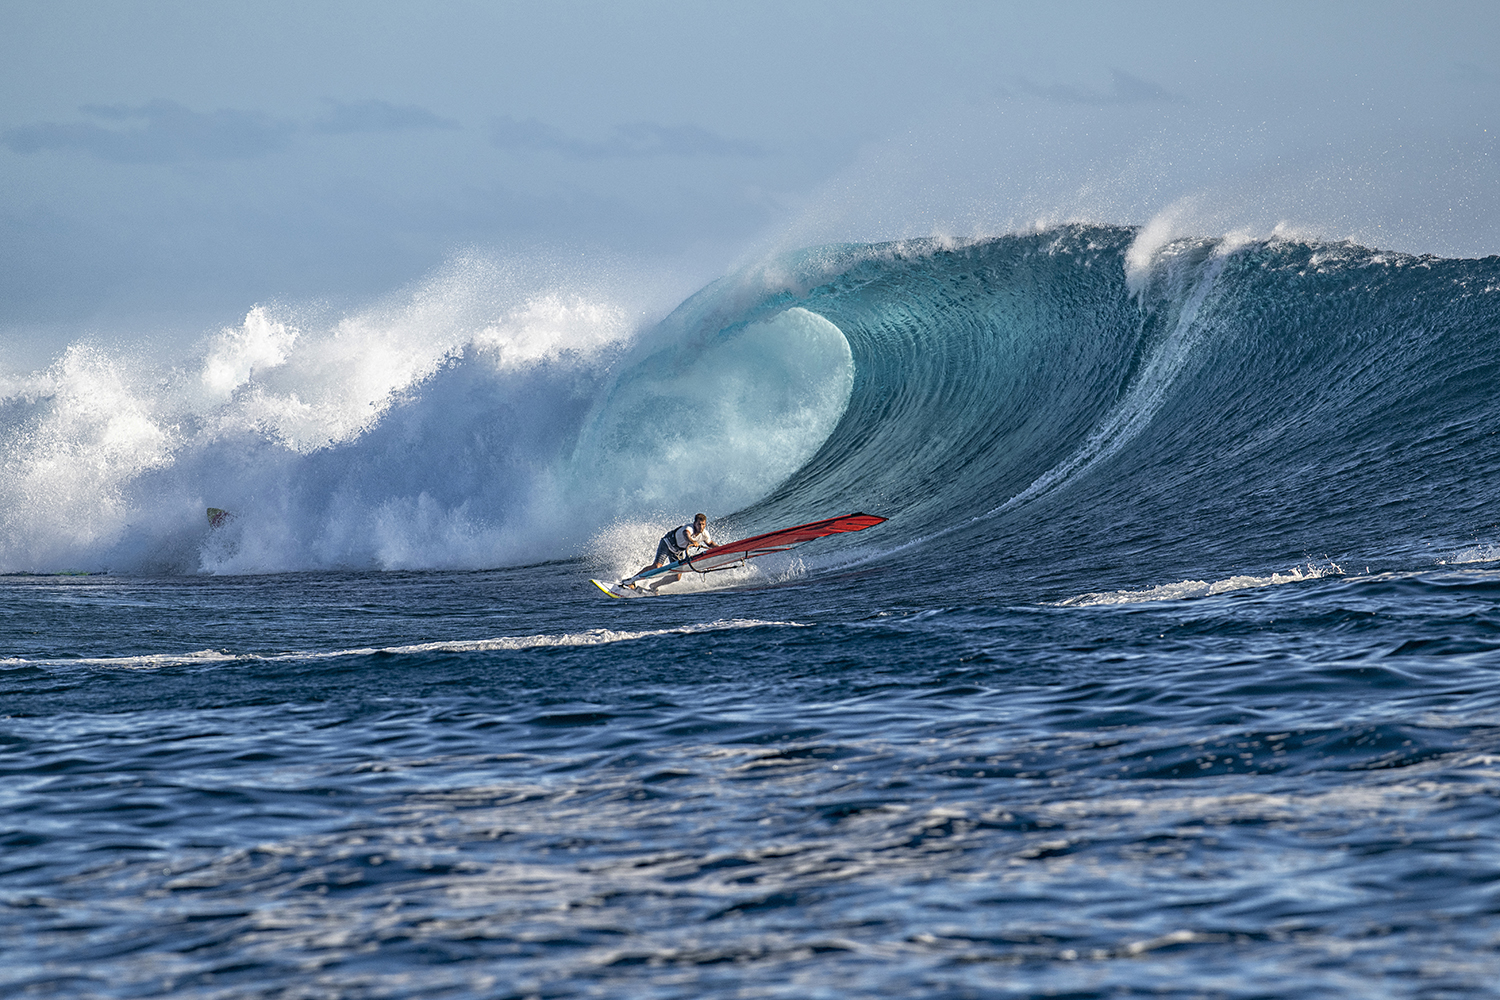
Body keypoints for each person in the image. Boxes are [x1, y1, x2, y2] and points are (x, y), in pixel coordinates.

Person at [624, 513, 716, 592]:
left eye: (703, 524)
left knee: (677, 577)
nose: (701, 527)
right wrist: (692, 541)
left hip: (678, 551)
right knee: (657, 566)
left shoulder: (704, 534)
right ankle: (631, 581)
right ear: (694, 523)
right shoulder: (689, 528)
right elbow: (686, 535)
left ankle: (654, 586)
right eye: (699, 524)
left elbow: (710, 543)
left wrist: (723, 548)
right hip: (667, 543)